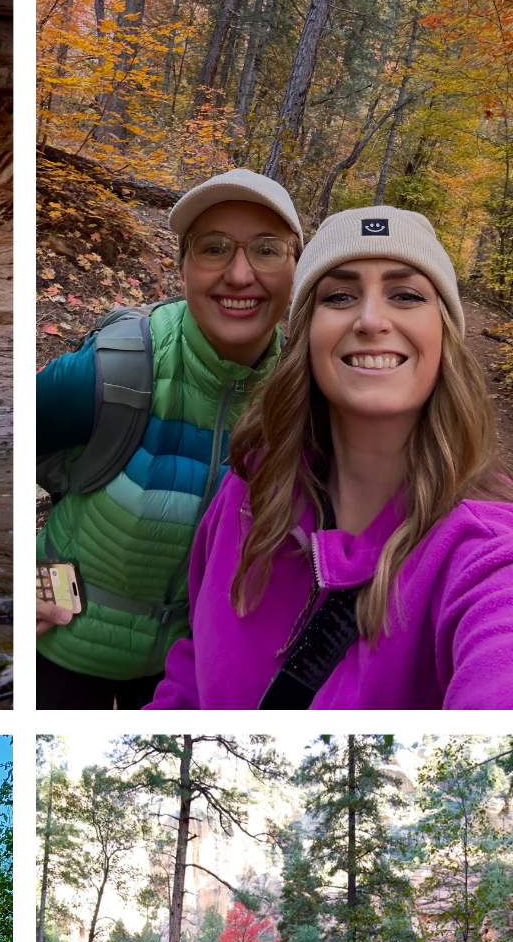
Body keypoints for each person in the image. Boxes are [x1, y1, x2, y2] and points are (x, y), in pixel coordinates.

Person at [149, 205, 513, 709]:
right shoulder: (251, 489)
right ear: (307, 336)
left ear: (446, 334)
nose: (370, 320)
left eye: (406, 295)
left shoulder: (485, 553)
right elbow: (194, 665)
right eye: (339, 296)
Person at [36, 169, 302, 707]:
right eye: (214, 248)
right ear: (181, 269)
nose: (240, 273)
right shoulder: (114, 371)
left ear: (297, 270)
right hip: (61, 648)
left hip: (187, 677)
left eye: (268, 250)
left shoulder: (305, 397)